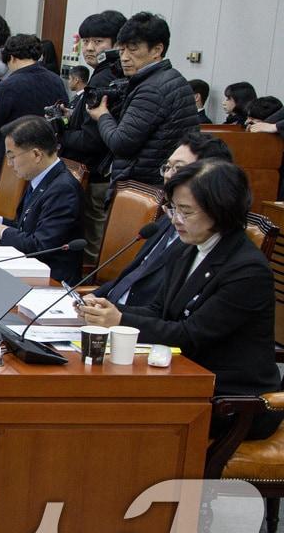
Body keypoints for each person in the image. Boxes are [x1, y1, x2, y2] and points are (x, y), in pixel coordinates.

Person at [79, 161, 282, 440]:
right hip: (186, 378)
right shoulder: (188, 249)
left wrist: (121, 320)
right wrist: (109, 310)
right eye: (173, 208)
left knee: (117, 413)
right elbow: (159, 310)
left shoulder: (247, 270)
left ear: (220, 211)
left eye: (186, 211)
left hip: (233, 401)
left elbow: (191, 334)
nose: (175, 219)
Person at [93, 131, 233, 307]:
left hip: (137, 324)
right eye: (167, 167)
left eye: (179, 169)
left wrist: (119, 317)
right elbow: (133, 274)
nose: (168, 175)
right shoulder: (167, 218)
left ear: (210, 176)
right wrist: (93, 296)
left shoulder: (203, 237)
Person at [86, 12, 198, 187]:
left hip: (143, 185)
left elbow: (120, 143)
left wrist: (102, 116)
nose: (124, 57)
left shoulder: (152, 89)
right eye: (122, 49)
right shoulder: (169, 79)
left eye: (133, 49)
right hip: (157, 182)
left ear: (157, 50)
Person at [0, 116, 83, 281]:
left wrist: (3, 232)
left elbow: (42, 245)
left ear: (36, 154)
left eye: (12, 156)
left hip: (50, 280)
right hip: (27, 268)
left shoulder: (64, 189)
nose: (9, 164)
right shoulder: (43, 178)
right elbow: (28, 229)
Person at [59, 10, 127, 263]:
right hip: (97, 171)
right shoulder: (107, 73)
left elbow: (91, 139)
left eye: (98, 42)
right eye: (85, 41)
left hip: (96, 173)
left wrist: (61, 132)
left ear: (117, 44)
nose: (89, 48)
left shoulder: (105, 76)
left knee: (92, 242)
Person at [0, 34, 70, 203]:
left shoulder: (8, 85)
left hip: (6, 163)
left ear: (10, 57)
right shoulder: (56, 81)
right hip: (44, 162)